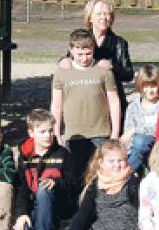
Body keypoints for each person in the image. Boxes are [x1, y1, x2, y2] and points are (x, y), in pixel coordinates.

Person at [23, 140, 144, 230]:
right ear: (101, 162)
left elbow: (144, 221)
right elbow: (82, 217)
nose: (117, 165)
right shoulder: (97, 183)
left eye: (121, 160)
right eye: (112, 161)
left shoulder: (133, 184)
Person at [51, 28, 121, 185]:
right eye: (79, 54)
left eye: (88, 53)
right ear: (71, 49)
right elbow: (56, 105)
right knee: (75, 178)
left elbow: (114, 101)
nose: (84, 58)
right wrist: (56, 133)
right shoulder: (62, 72)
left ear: (93, 49)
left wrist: (115, 132)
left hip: (100, 133)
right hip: (73, 135)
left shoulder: (103, 71)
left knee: (100, 176)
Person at [58, 0, 135, 117]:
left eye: (107, 14)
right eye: (99, 14)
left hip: (111, 100)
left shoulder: (120, 43)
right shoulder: (79, 39)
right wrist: (63, 61)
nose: (103, 17)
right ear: (90, 17)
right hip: (84, 98)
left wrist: (112, 66)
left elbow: (128, 74)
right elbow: (69, 60)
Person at [16, 109, 75, 230]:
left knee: (44, 190)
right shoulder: (25, 156)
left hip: (58, 203)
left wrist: (56, 182)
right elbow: (22, 187)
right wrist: (22, 213)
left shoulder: (62, 154)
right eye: (42, 132)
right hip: (34, 204)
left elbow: (73, 183)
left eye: (50, 131)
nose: (48, 135)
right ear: (31, 133)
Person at [122, 65, 159, 172]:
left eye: (153, 86)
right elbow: (128, 133)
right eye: (146, 87)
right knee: (138, 143)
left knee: (140, 140)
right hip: (136, 150)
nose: (149, 90)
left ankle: (125, 174)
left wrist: (136, 130)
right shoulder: (133, 106)